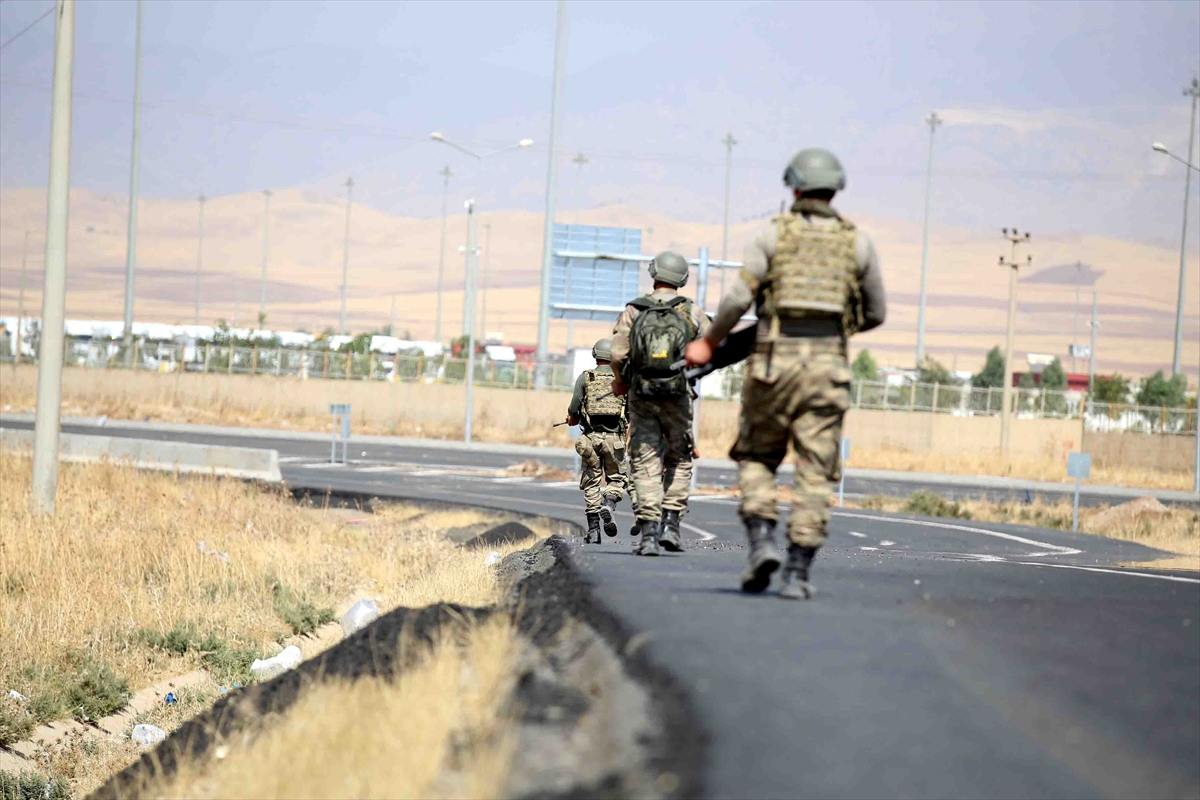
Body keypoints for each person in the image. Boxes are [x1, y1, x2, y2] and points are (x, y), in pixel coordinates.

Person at [685, 148, 886, 599]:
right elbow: (876, 312)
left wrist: (710, 342)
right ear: (835, 189)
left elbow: (739, 299)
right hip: (828, 369)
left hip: (773, 365)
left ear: (794, 188)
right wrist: (834, 330)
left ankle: (761, 543)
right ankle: (797, 571)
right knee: (815, 470)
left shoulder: (771, 235)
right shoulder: (858, 243)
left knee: (758, 457)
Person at [610, 251, 710, 556]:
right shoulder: (691, 312)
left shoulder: (634, 310)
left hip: (642, 395)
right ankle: (671, 526)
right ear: (682, 279)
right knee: (679, 457)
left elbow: (618, 354)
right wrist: (690, 375)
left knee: (645, 461)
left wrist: (621, 380)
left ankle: (649, 534)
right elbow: (711, 347)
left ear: (653, 274)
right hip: (678, 396)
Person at [567, 338, 635, 543]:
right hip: (615, 441)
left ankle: (594, 530)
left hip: (591, 439)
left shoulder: (585, 378)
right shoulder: (624, 379)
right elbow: (631, 410)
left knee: (591, 482)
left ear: (595, 355)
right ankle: (609, 504)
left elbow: (574, 408)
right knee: (617, 479)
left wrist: (572, 418)